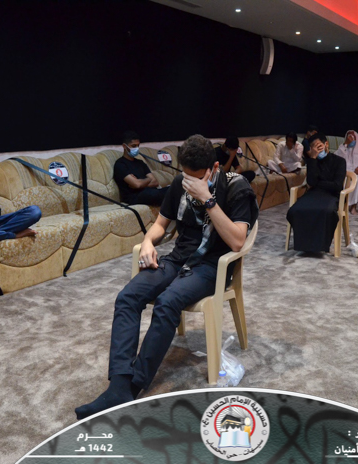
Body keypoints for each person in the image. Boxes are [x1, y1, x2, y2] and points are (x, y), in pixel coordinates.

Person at [75, 134, 258, 420]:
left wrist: (207, 199)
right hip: (178, 259)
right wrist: (148, 242)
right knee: (128, 297)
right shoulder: (180, 183)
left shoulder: (236, 186)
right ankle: (119, 385)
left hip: (212, 266)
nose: (189, 183)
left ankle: (134, 385)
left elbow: (237, 242)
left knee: (168, 302)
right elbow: (162, 223)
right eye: (186, 176)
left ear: (214, 168)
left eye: (196, 177)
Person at [286, 133, 346, 253]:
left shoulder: (339, 161)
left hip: (331, 195)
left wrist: (318, 183)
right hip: (313, 194)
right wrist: (313, 158)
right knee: (295, 210)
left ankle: (320, 245)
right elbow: (311, 182)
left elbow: (337, 186)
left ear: (326, 144)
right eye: (313, 147)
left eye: (318, 146)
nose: (316, 149)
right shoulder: (312, 161)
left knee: (327, 212)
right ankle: (304, 245)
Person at [113, 130, 167, 205]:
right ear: (124, 146)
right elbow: (137, 184)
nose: (137, 148)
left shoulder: (140, 162)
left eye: (138, 146)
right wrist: (147, 180)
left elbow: (155, 182)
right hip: (134, 197)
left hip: (150, 192)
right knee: (156, 194)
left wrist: (142, 182)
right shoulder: (120, 164)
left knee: (175, 189)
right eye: (133, 146)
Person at [336, 130, 358, 215]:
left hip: (357, 175)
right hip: (344, 174)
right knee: (340, 182)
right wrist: (345, 144)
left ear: (356, 138)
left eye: (352, 137)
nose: (351, 139)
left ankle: (353, 206)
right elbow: (336, 157)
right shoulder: (342, 148)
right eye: (349, 137)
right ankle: (342, 205)